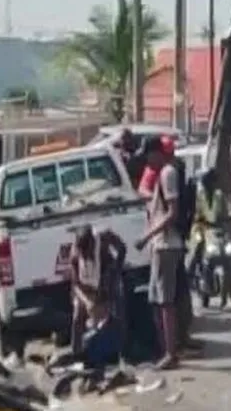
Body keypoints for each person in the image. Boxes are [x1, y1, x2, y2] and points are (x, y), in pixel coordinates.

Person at [136, 136, 198, 353]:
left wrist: (146, 237)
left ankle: (171, 352)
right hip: (160, 244)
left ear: (158, 153)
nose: (146, 161)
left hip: (166, 244)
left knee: (166, 302)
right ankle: (166, 348)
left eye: (148, 156)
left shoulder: (168, 173)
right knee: (158, 300)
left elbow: (173, 213)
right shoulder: (160, 174)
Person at [69, 225, 127, 358]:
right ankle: (77, 353)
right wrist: (88, 302)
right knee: (78, 313)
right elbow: (76, 284)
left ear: (93, 243)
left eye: (88, 252)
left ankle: (122, 351)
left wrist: (115, 270)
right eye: (83, 254)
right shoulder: (75, 254)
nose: (87, 256)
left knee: (118, 309)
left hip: (106, 281)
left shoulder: (104, 237)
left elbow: (122, 248)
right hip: (86, 289)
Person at [193, 168, 231, 309]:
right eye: (206, 181)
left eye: (211, 181)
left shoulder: (220, 195)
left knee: (229, 261)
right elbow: (196, 214)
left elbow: (227, 212)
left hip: (219, 231)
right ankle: (195, 274)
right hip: (202, 230)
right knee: (198, 249)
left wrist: (228, 218)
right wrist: (200, 221)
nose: (209, 184)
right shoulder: (199, 196)